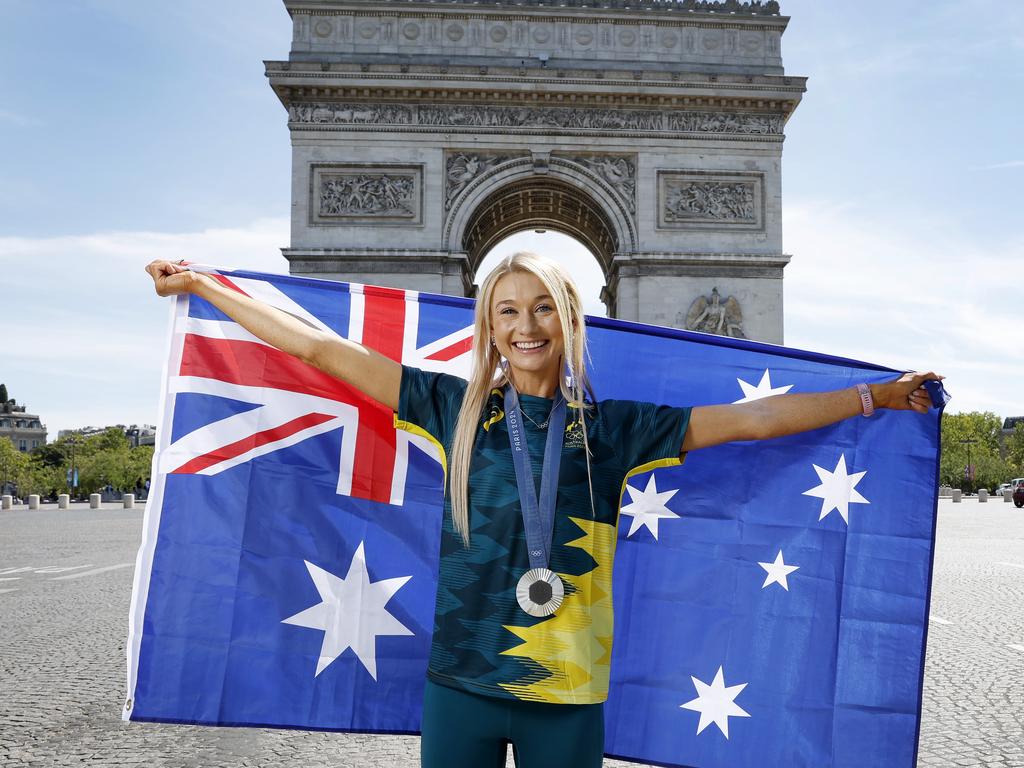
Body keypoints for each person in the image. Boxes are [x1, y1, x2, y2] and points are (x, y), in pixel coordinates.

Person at [145, 253, 940, 768]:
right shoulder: (451, 408)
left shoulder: (617, 429)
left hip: (566, 690)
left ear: (569, 318)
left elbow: (754, 421)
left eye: (543, 308)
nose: (526, 327)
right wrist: (208, 288)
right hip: (460, 681)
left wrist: (872, 398)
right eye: (507, 311)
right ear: (488, 327)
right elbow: (320, 351)